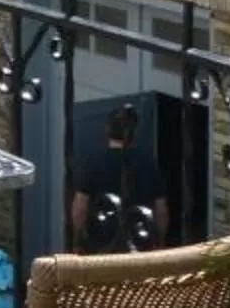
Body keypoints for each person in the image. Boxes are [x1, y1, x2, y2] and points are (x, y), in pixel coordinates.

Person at [71, 102, 168, 253]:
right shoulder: (147, 163)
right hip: (139, 239)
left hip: (102, 240)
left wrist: (78, 240)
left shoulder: (94, 162)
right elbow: (161, 209)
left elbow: (80, 207)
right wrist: (160, 241)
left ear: (107, 129)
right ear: (134, 132)